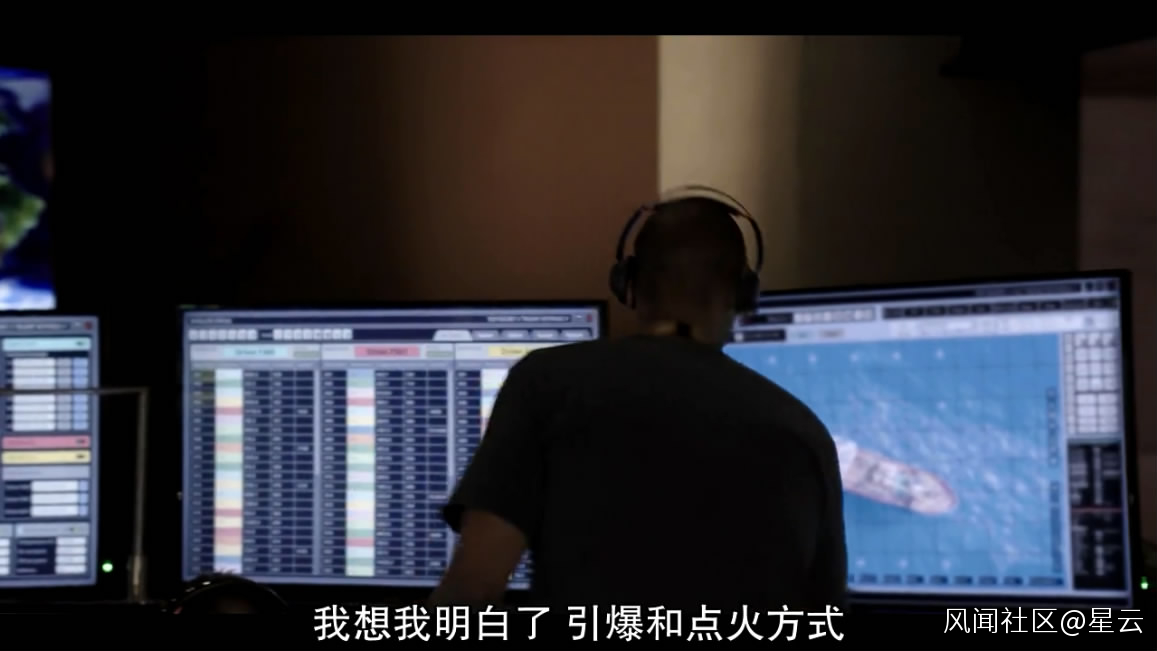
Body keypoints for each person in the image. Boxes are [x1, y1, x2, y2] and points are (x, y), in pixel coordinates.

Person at [431, 188, 847, 613]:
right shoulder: (803, 431)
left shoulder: (546, 383)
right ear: (743, 295)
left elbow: (473, 590)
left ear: (627, 284)